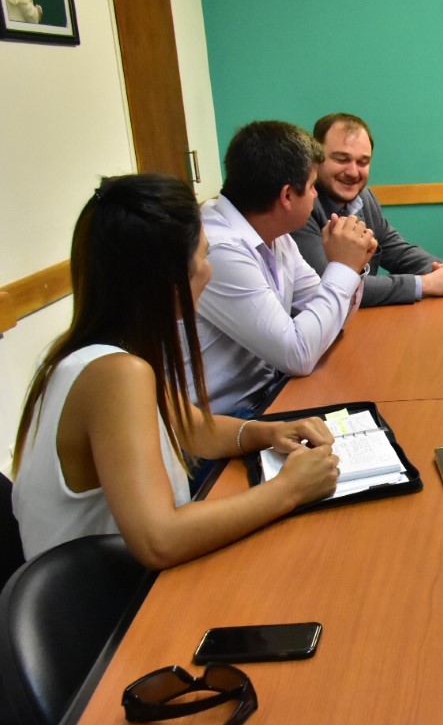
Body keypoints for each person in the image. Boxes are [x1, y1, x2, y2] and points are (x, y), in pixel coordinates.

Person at [11, 175, 340, 570]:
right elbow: (160, 540)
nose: (209, 271)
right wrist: (288, 490)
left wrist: (266, 432)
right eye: (203, 256)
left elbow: (191, 428)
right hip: (109, 609)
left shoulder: (95, 354)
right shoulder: (116, 373)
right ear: (168, 279)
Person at [195, 120, 376, 415]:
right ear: (287, 196)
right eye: (311, 187)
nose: (316, 195)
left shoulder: (274, 234)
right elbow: (298, 354)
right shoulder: (218, 249)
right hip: (222, 425)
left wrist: (353, 267)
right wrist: (343, 266)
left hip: (272, 396)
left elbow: (332, 320)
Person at [293, 113, 443, 307]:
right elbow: (330, 287)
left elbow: (397, 251)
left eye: (362, 162)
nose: (353, 172)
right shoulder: (301, 207)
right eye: (342, 159)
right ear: (316, 159)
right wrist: (424, 284)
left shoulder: (365, 198)